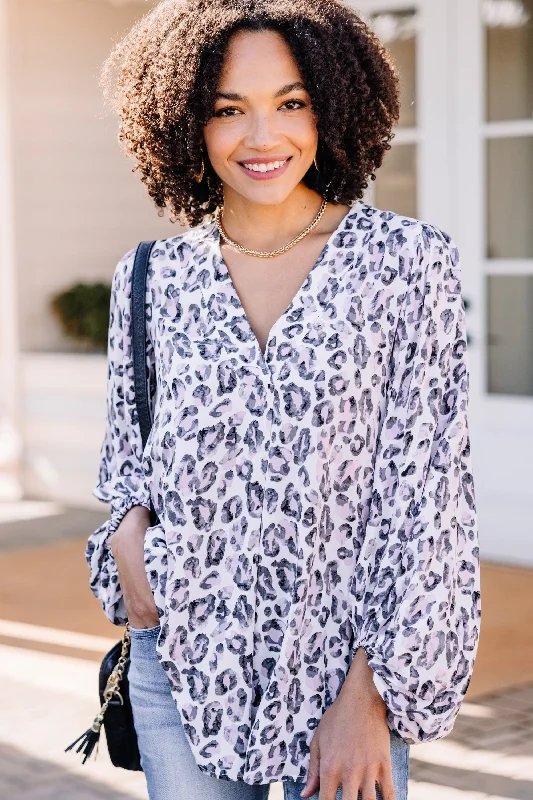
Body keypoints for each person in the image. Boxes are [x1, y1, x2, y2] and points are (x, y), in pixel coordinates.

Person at [86, 2, 481, 799]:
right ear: (184, 122)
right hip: (184, 670)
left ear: (332, 107)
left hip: (344, 676)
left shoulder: (406, 263)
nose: (262, 138)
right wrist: (133, 570)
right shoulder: (149, 276)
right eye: (228, 110)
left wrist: (369, 701)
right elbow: (127, 471)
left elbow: (430, 503)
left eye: (290, 103)